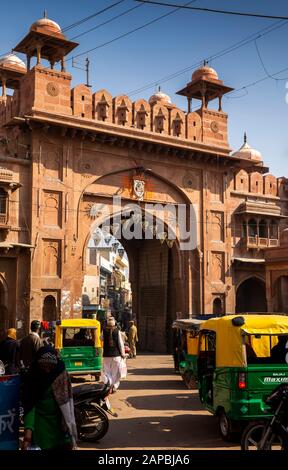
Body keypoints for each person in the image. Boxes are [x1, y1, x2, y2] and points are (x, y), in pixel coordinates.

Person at [22, 345, 77, 450]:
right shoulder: (32, 377)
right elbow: (30, 406)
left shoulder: (60, 373)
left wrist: (69, 432)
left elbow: (66, 403)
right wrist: (27, 436)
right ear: (38, 364)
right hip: (40, 426)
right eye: (43, 366)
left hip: (59, 425)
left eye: (50, 367)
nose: (47, 370)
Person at [101, 317, 125, 416]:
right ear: (114, 324)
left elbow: (100, 338)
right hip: (116, 356)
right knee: (116, 374)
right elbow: (120, 344)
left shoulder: (104, 331)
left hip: (106, 356)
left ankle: (108, 386)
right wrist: (123, 353)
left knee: (107, 373)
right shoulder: (117, 331)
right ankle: (113, 387)